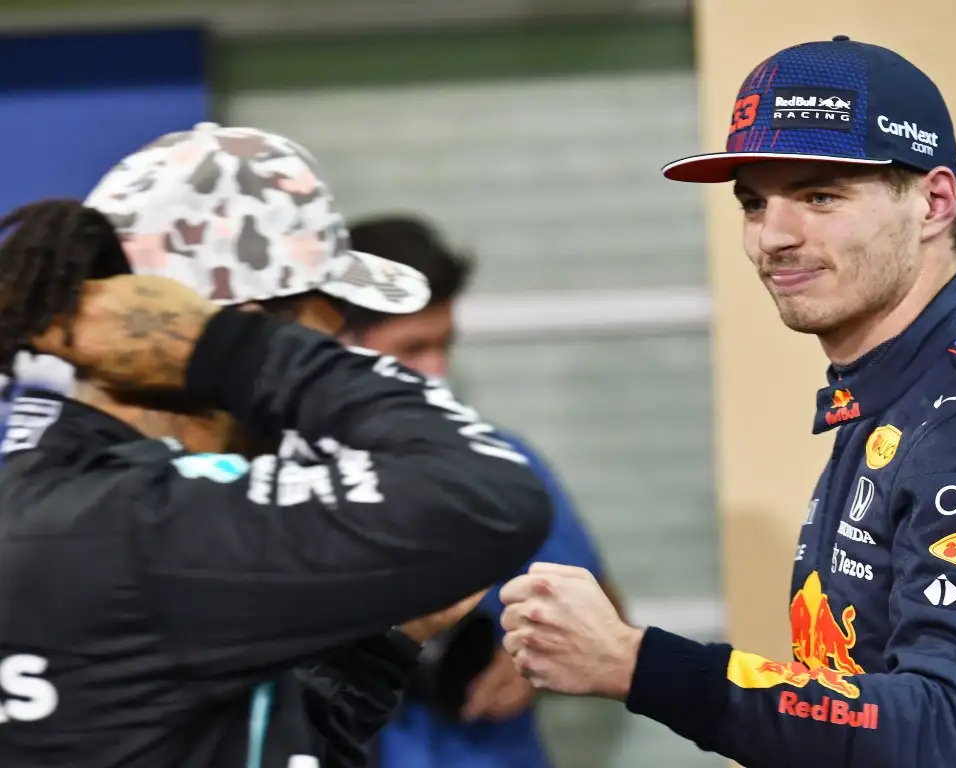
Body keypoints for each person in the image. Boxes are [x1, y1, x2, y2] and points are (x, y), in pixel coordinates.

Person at [497, 36, 956, 767]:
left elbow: (951, 732)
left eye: (820, 195)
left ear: (933, 201)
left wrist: (637, 664)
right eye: (754, 202)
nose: (772, 236)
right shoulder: (901, 391)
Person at [0, 122, 553, 768]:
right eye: (320, 338)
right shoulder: (141, 526)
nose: (329, 353)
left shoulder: (76, 498)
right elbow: (488, 496)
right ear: (235, 327)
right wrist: (232, 354)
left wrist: (379, 645)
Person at [339, 215, 617, 768]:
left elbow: (602, 606)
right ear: (339, 345)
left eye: (444, 345)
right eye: (411, 349)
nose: (436, 370)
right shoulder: (280, 483)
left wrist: (529, 661)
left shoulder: (497, 464)